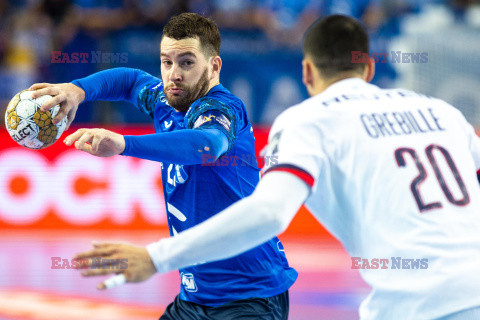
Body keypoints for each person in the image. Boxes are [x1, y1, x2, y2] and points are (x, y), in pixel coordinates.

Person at [103, 15, 480, 319]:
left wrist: (158, 257)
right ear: (368, 68)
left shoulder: (307, 121)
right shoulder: (442, 112)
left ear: (306, 73)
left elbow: (269, 212)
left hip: (418, 306)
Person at [31, 12, 297, 320]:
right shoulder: (165, 100)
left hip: (251, 296)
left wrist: (125, 144)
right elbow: (130, 81)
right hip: (196, 299)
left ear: (214, 67)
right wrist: (77, 90)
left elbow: (207, 145)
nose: (173, 74)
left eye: (186, 62)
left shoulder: (223, 108)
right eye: (166, 62)